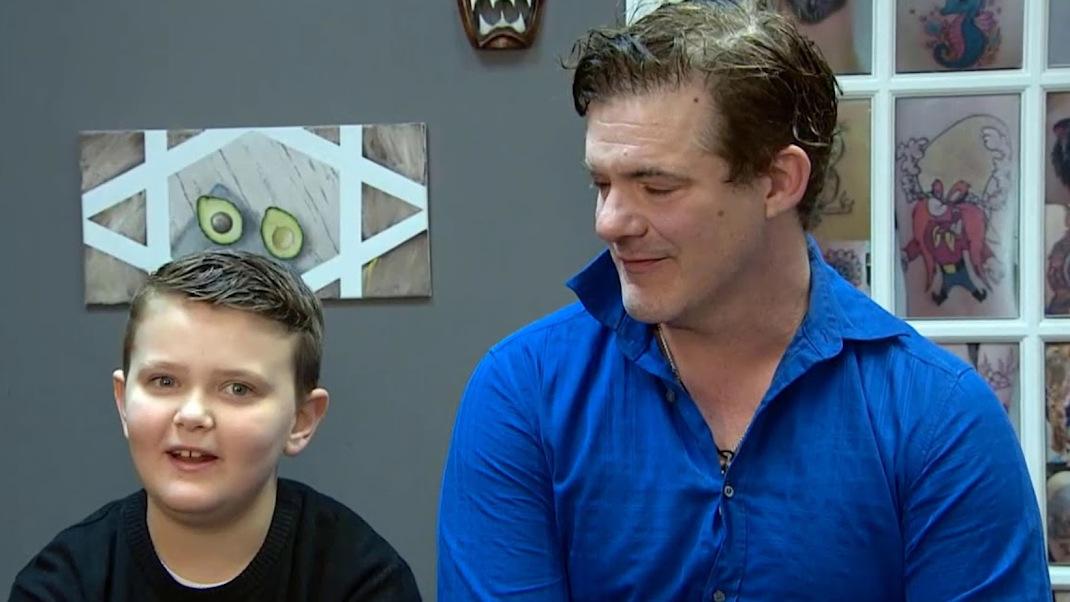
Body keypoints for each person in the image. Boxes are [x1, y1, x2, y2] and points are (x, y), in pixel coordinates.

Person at [437, 1, 1050, 599]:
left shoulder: (937, 418)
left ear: (778, 182)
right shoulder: (526, 394)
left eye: (657, 187)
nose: (610, 222)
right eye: (602, 183)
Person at [11, 250, 421, 601]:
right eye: (164, 381)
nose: (192, 415)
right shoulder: (61, 585)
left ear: (300, 421)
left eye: (238, 389)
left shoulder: (363, 581)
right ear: (123, 402)